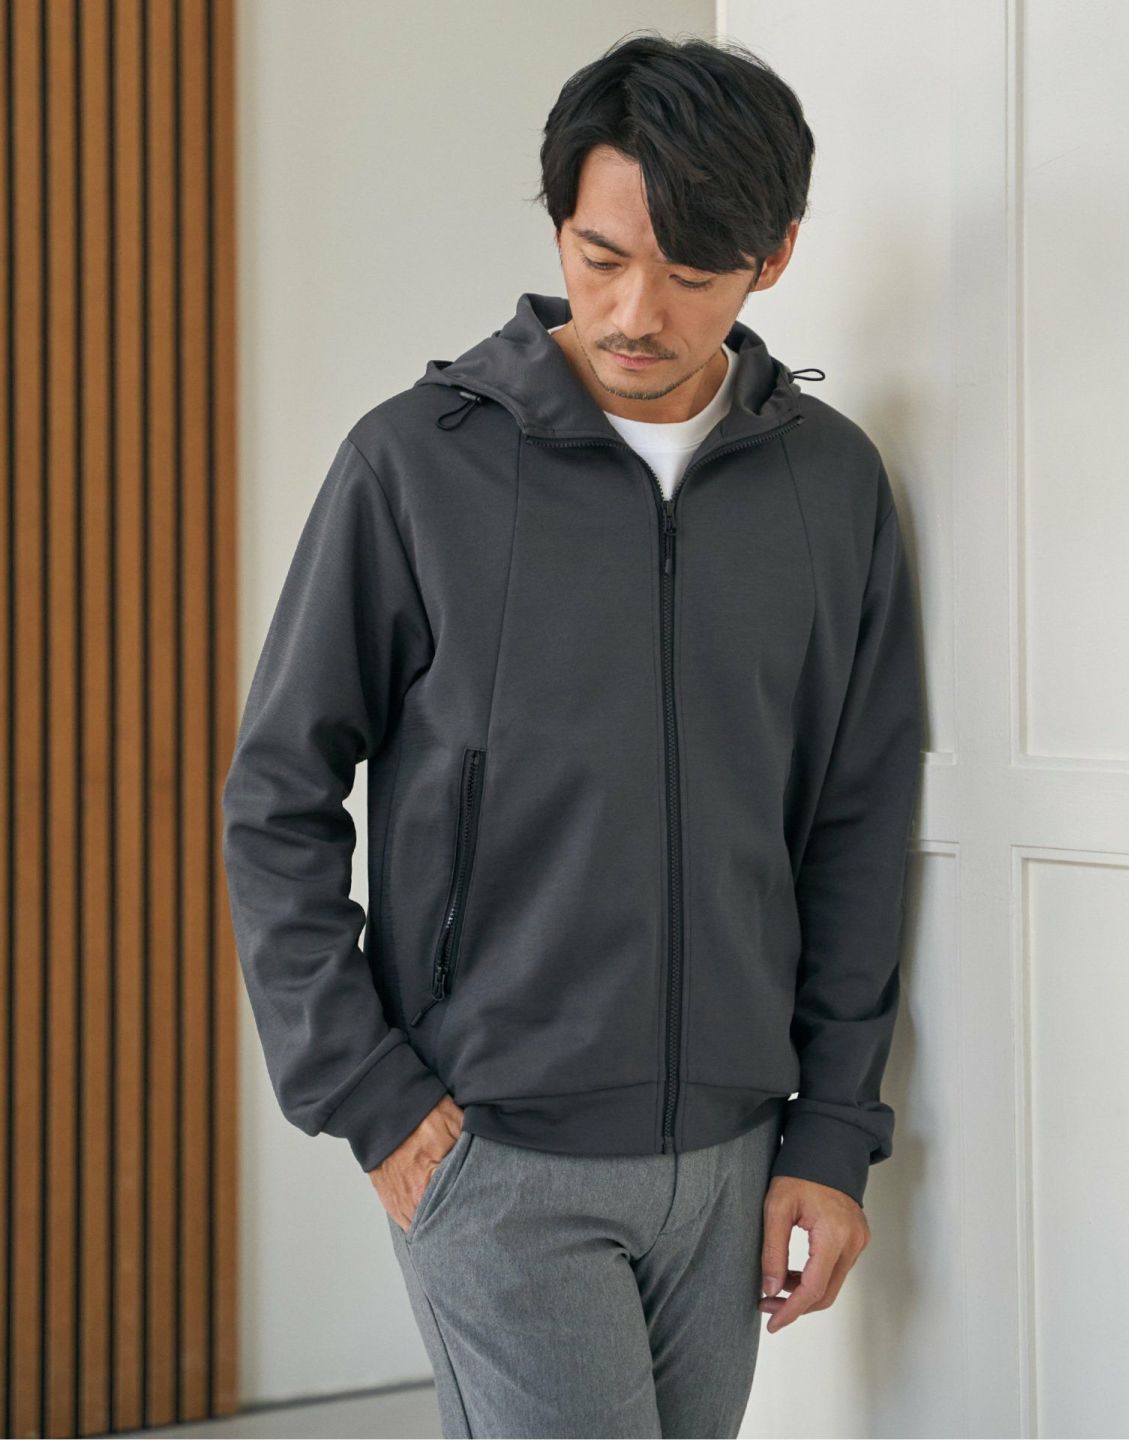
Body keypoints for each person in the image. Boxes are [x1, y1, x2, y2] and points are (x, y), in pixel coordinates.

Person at [221, 31, 923, 1440]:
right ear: (559, 229)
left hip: (734, 1158)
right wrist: (369, 1092)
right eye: (602, 257)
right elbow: (278, 795)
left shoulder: (832, 487)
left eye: (693, 272)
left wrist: (833, 1132)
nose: (636, 312)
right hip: (495, 1153)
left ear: (774, 258)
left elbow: (854, 820)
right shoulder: (415, 465)